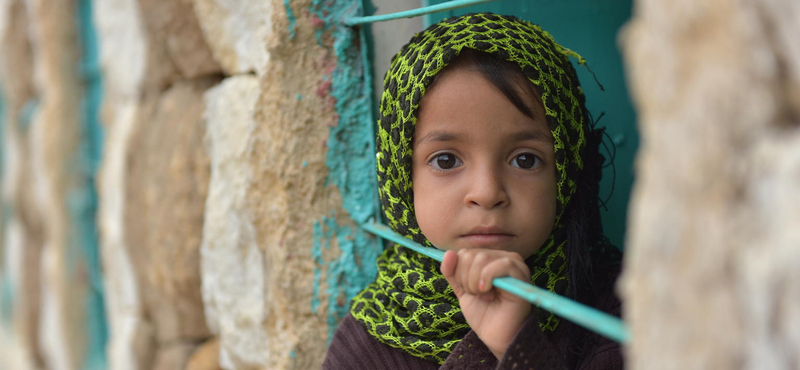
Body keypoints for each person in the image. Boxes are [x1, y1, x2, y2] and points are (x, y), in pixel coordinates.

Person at [323, 12, 623, 370]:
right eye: (446, 160)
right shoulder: (368, 345)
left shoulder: (622, 313)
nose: (486, 193)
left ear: (566, 171)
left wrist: (517, 346)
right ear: (400, 176)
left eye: (525, 160)